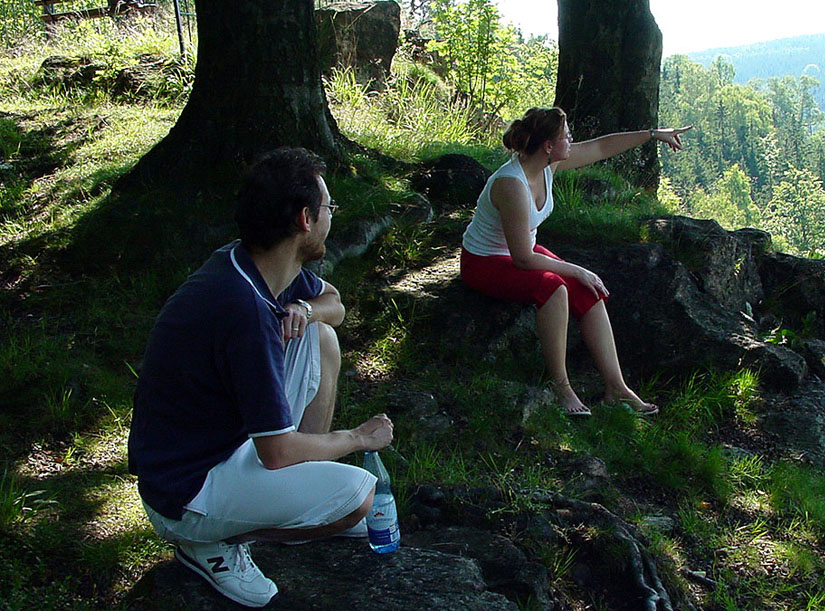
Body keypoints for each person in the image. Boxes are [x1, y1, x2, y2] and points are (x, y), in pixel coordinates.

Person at [128, 147, 394, 608]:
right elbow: (277, 451)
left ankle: (293, 492)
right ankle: (208, 543)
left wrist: (307, 311)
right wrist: (357, 438)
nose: (333, 215)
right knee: (357, 496)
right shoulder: (243, 308)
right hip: (186, 492)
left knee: (320, 337)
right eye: (329, 207)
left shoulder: (255, 265)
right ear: (305, 220)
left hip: (220, 447)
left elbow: (335, 305)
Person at [460, 107, 692, 417]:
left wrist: (653, 134)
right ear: (547, 146)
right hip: (484, 262)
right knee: (556, 288)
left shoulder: (546, 166)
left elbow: (600, 147)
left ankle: (616, 388)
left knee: (588, 290)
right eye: (566, 137)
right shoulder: (511, 184)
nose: (572, 141)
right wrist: (576, 268)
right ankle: (562, 386)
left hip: (520, 254)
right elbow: (524, 259)